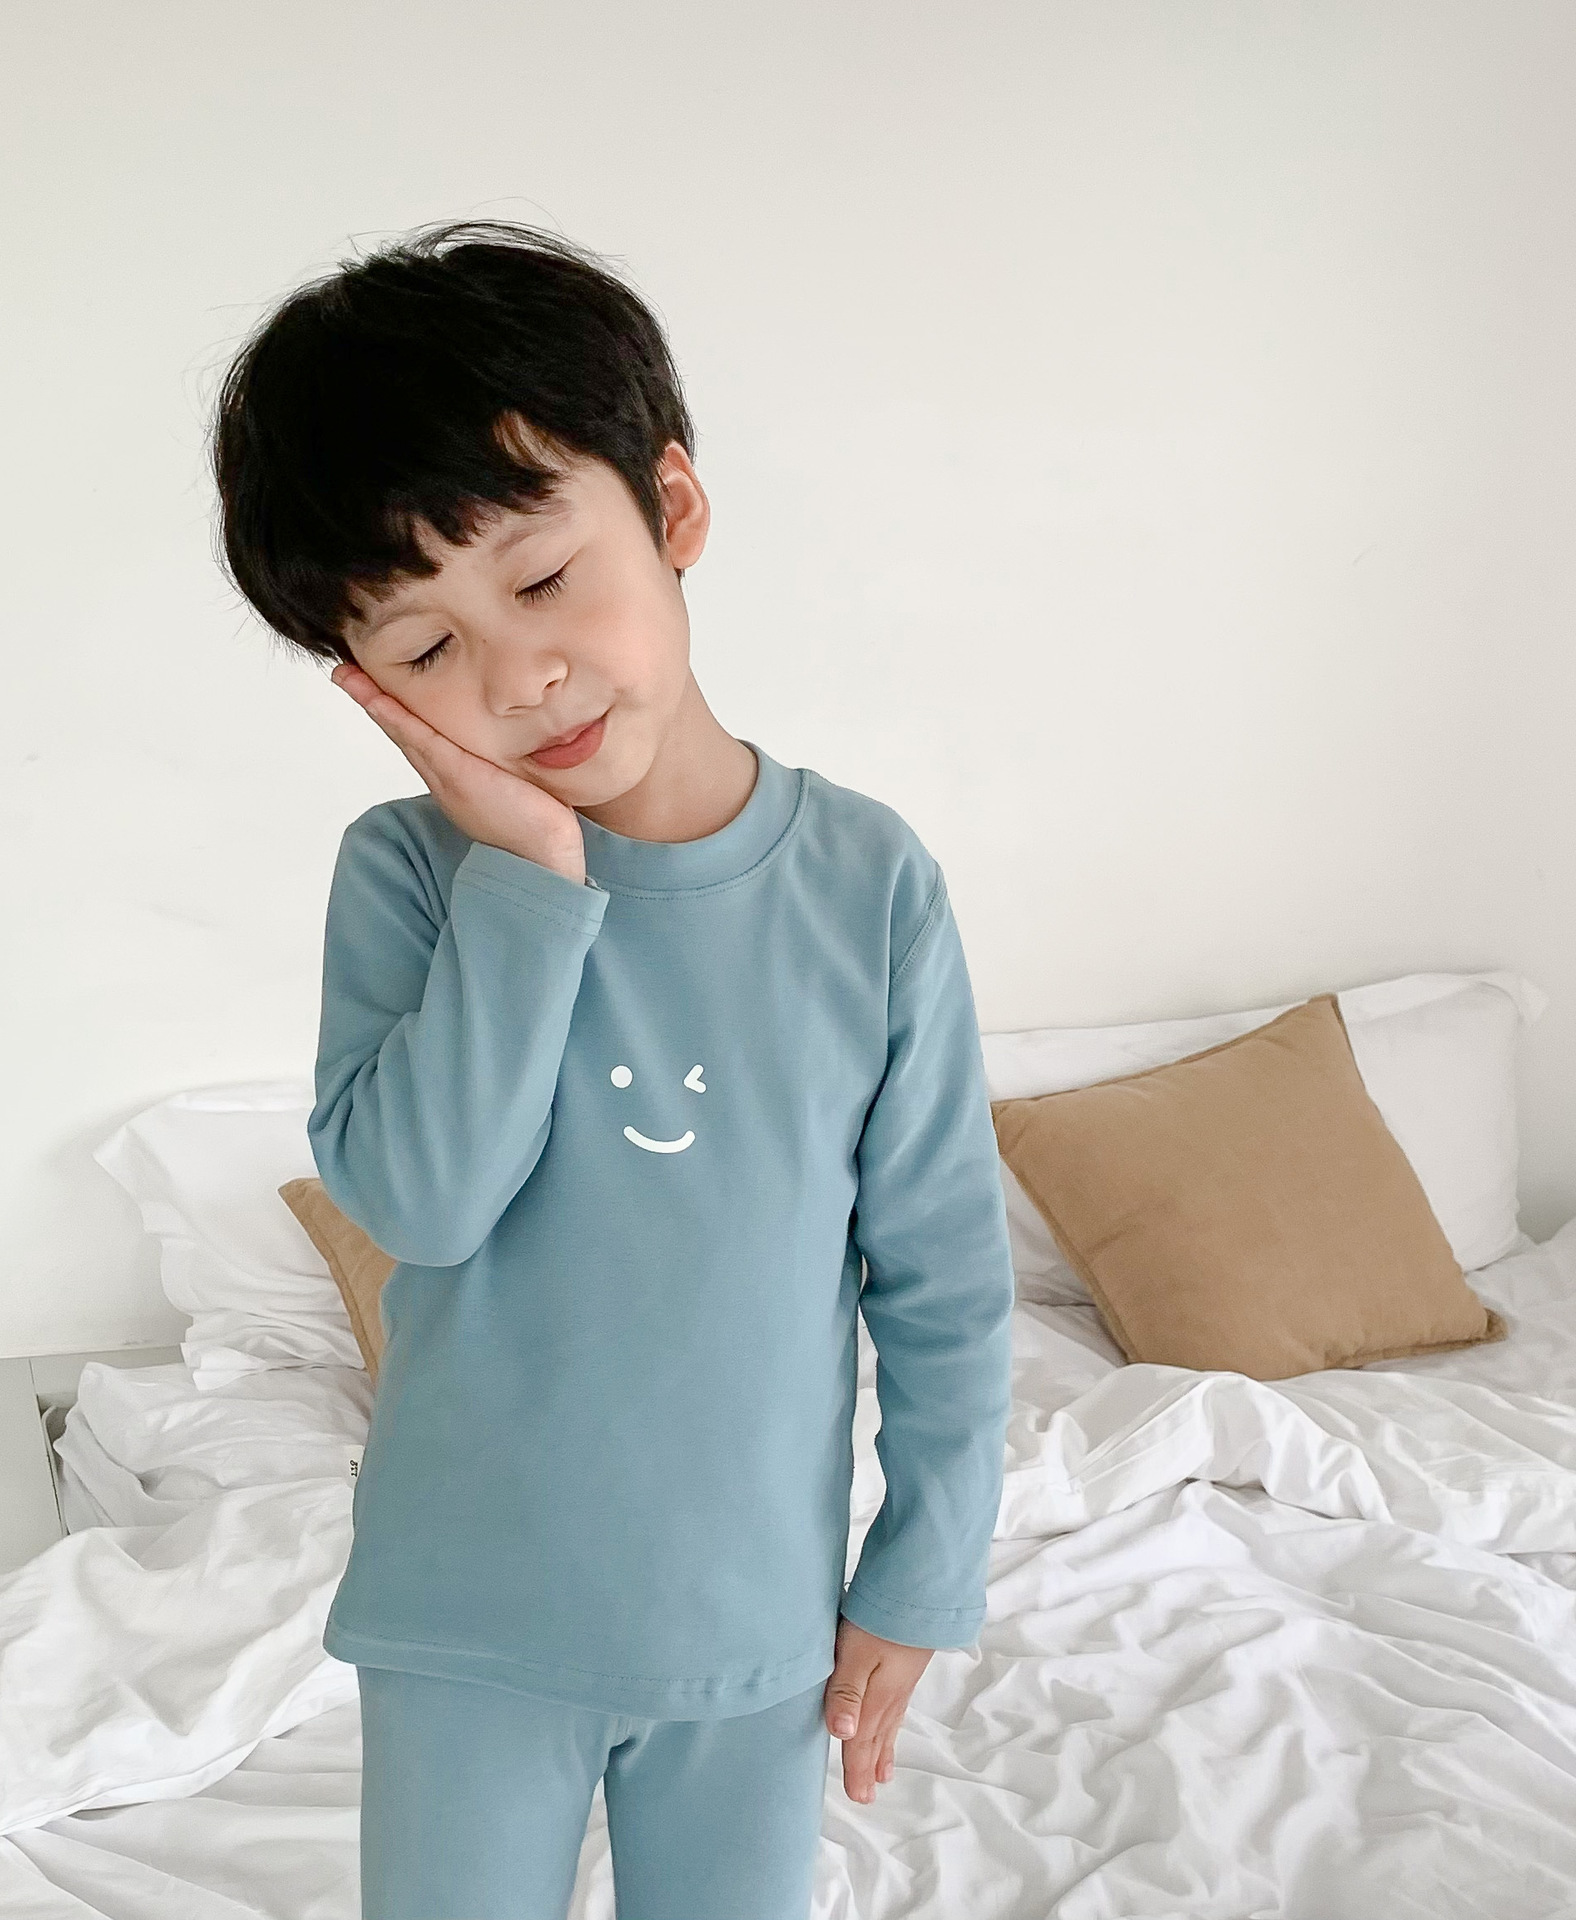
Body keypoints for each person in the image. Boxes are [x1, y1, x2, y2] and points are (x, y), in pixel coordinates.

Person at [208, 219, 1015, 1920]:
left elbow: (943, 1271)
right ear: (368, 688)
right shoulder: (409, 878)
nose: (518, 676)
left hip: (750, 1626)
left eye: (540, 580)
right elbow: (423, 1206)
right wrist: (526, 879)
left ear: (673, 506)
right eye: (425, 650)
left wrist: (922, 1569)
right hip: (466, 1622)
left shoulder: (867, 885)